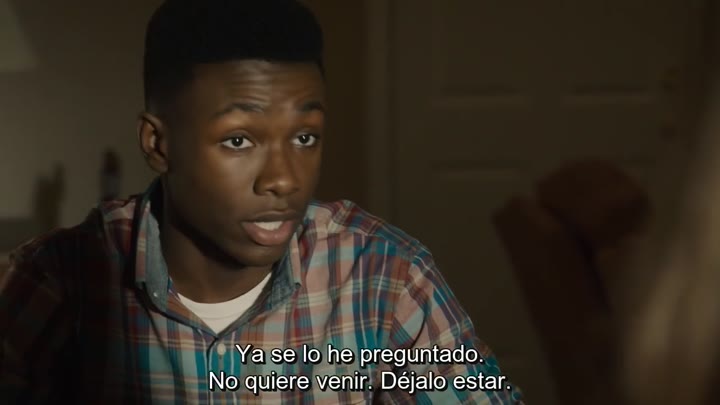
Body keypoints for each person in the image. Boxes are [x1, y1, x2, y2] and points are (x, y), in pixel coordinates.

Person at [0, 1, 523, 403]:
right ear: (158, 145)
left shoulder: (384, 276)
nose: (284, 180)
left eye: (304, 137)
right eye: (238, 140)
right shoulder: (58, 281)